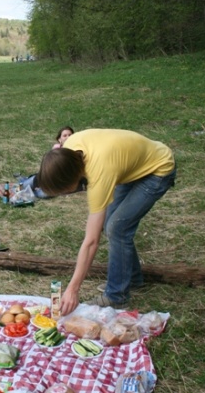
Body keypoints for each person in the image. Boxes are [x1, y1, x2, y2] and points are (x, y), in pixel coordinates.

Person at [36, 129, 176, 316]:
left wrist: (72, 289)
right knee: (112, 224)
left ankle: (117, 295)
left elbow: (91, 241)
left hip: (157, 169)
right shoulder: (68, 149)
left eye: (63, 191)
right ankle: (132, 278)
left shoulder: (99, 174)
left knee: (117, 228)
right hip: (128, 165)